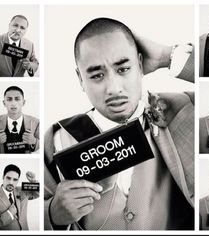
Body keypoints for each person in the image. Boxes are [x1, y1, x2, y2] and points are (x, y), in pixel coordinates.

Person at [44, 17, 194, 230]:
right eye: (97, 75)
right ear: (80, 79)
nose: (113, 88)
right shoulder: (57, 138)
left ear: (140, 64)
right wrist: (51, 214)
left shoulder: (185, 109)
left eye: (123, 69)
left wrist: (165, 56)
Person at [0, 86, 39, 153]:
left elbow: (45, 144)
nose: (13, 103)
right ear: (4, 103)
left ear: (23, 102)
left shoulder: (36, 122)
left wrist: (34, 141)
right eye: (9, 99)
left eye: (17, 99)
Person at [0, 164, 39, 230]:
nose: (11, 182)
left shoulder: (22, 190)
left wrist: (33, 181)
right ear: (3, 177)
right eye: (8, 178)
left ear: (18, 180)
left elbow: (36, 194)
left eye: (15, 179)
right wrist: (9, 213)